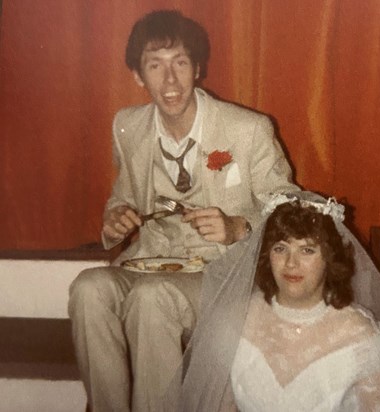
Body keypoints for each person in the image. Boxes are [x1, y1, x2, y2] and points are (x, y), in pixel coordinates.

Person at [68, 9, 298, 412]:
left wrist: (239, 226)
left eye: (179, 64)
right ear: (139, 76)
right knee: (88, 288)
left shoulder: (247, 129)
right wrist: (116, 216)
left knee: (152, 300)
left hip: (221, 275)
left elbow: (290, 210)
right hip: (146, 266)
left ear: (197, 68)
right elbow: (123, 194)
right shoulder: (127, 126)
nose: (169, 80)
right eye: (155, 66)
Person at [170, 192, 380, 411]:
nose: (291, 263)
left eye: (307, 250)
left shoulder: (361, 337)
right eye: (280, 248)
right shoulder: (236, 321)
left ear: (330, 259)